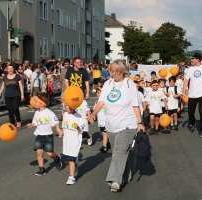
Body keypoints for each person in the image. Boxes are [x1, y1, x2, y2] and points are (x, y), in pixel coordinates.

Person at [88, 59, 145, 193]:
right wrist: (93, 113)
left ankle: (114, 180)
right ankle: (127, 174)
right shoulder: (108, 83)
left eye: (116, 71)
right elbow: (101, 101)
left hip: (128, 124)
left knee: (119, 152)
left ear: (123, 71)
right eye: (112, 71)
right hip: (111, 125)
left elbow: (136, 105)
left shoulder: (129, 84)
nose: (114, 73)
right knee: (119, 152)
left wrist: (140, 122)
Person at [26, 92, 63, 176]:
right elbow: (35, 122)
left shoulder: (49, 113)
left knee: (49, 153)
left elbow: (56, 122)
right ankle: (41, 168)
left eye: (36, 102)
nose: (34, 103)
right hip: (39, 135)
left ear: (42, 103)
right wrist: (32, 124)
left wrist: (58, 129)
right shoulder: (36, 113)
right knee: (39, 152)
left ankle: (57, 159)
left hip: (48, 136)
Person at [182, 53, 202, 138]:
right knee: (190, 112)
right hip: (192, 94)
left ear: (197, 59)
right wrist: (184, 93)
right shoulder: (190, 70)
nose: (191, 60)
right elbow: (186, 81)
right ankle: (192, 123)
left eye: (193, 59)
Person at [61, 104, 84, 185]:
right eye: (67, 106)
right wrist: (62, 133)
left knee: (71, 159)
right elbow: (64, 126)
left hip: (74, 141)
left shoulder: (79, 116)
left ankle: (71, 177)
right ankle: (75, 166)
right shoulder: (65, 115)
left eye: (70, 106)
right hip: (66, 141)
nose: (68, 108)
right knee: (65, 160)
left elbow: (81, 130)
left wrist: (77, 127)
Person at [94, 87, 111, 153]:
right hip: (100, 121)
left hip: (105, 121)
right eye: (97, 93)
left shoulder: (106, 101)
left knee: (104, 133)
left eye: (99, 92)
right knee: (104, 132)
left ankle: (104, 146)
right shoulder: (96, 101)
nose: (97, 94)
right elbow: (95, 110)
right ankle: (108, 142)